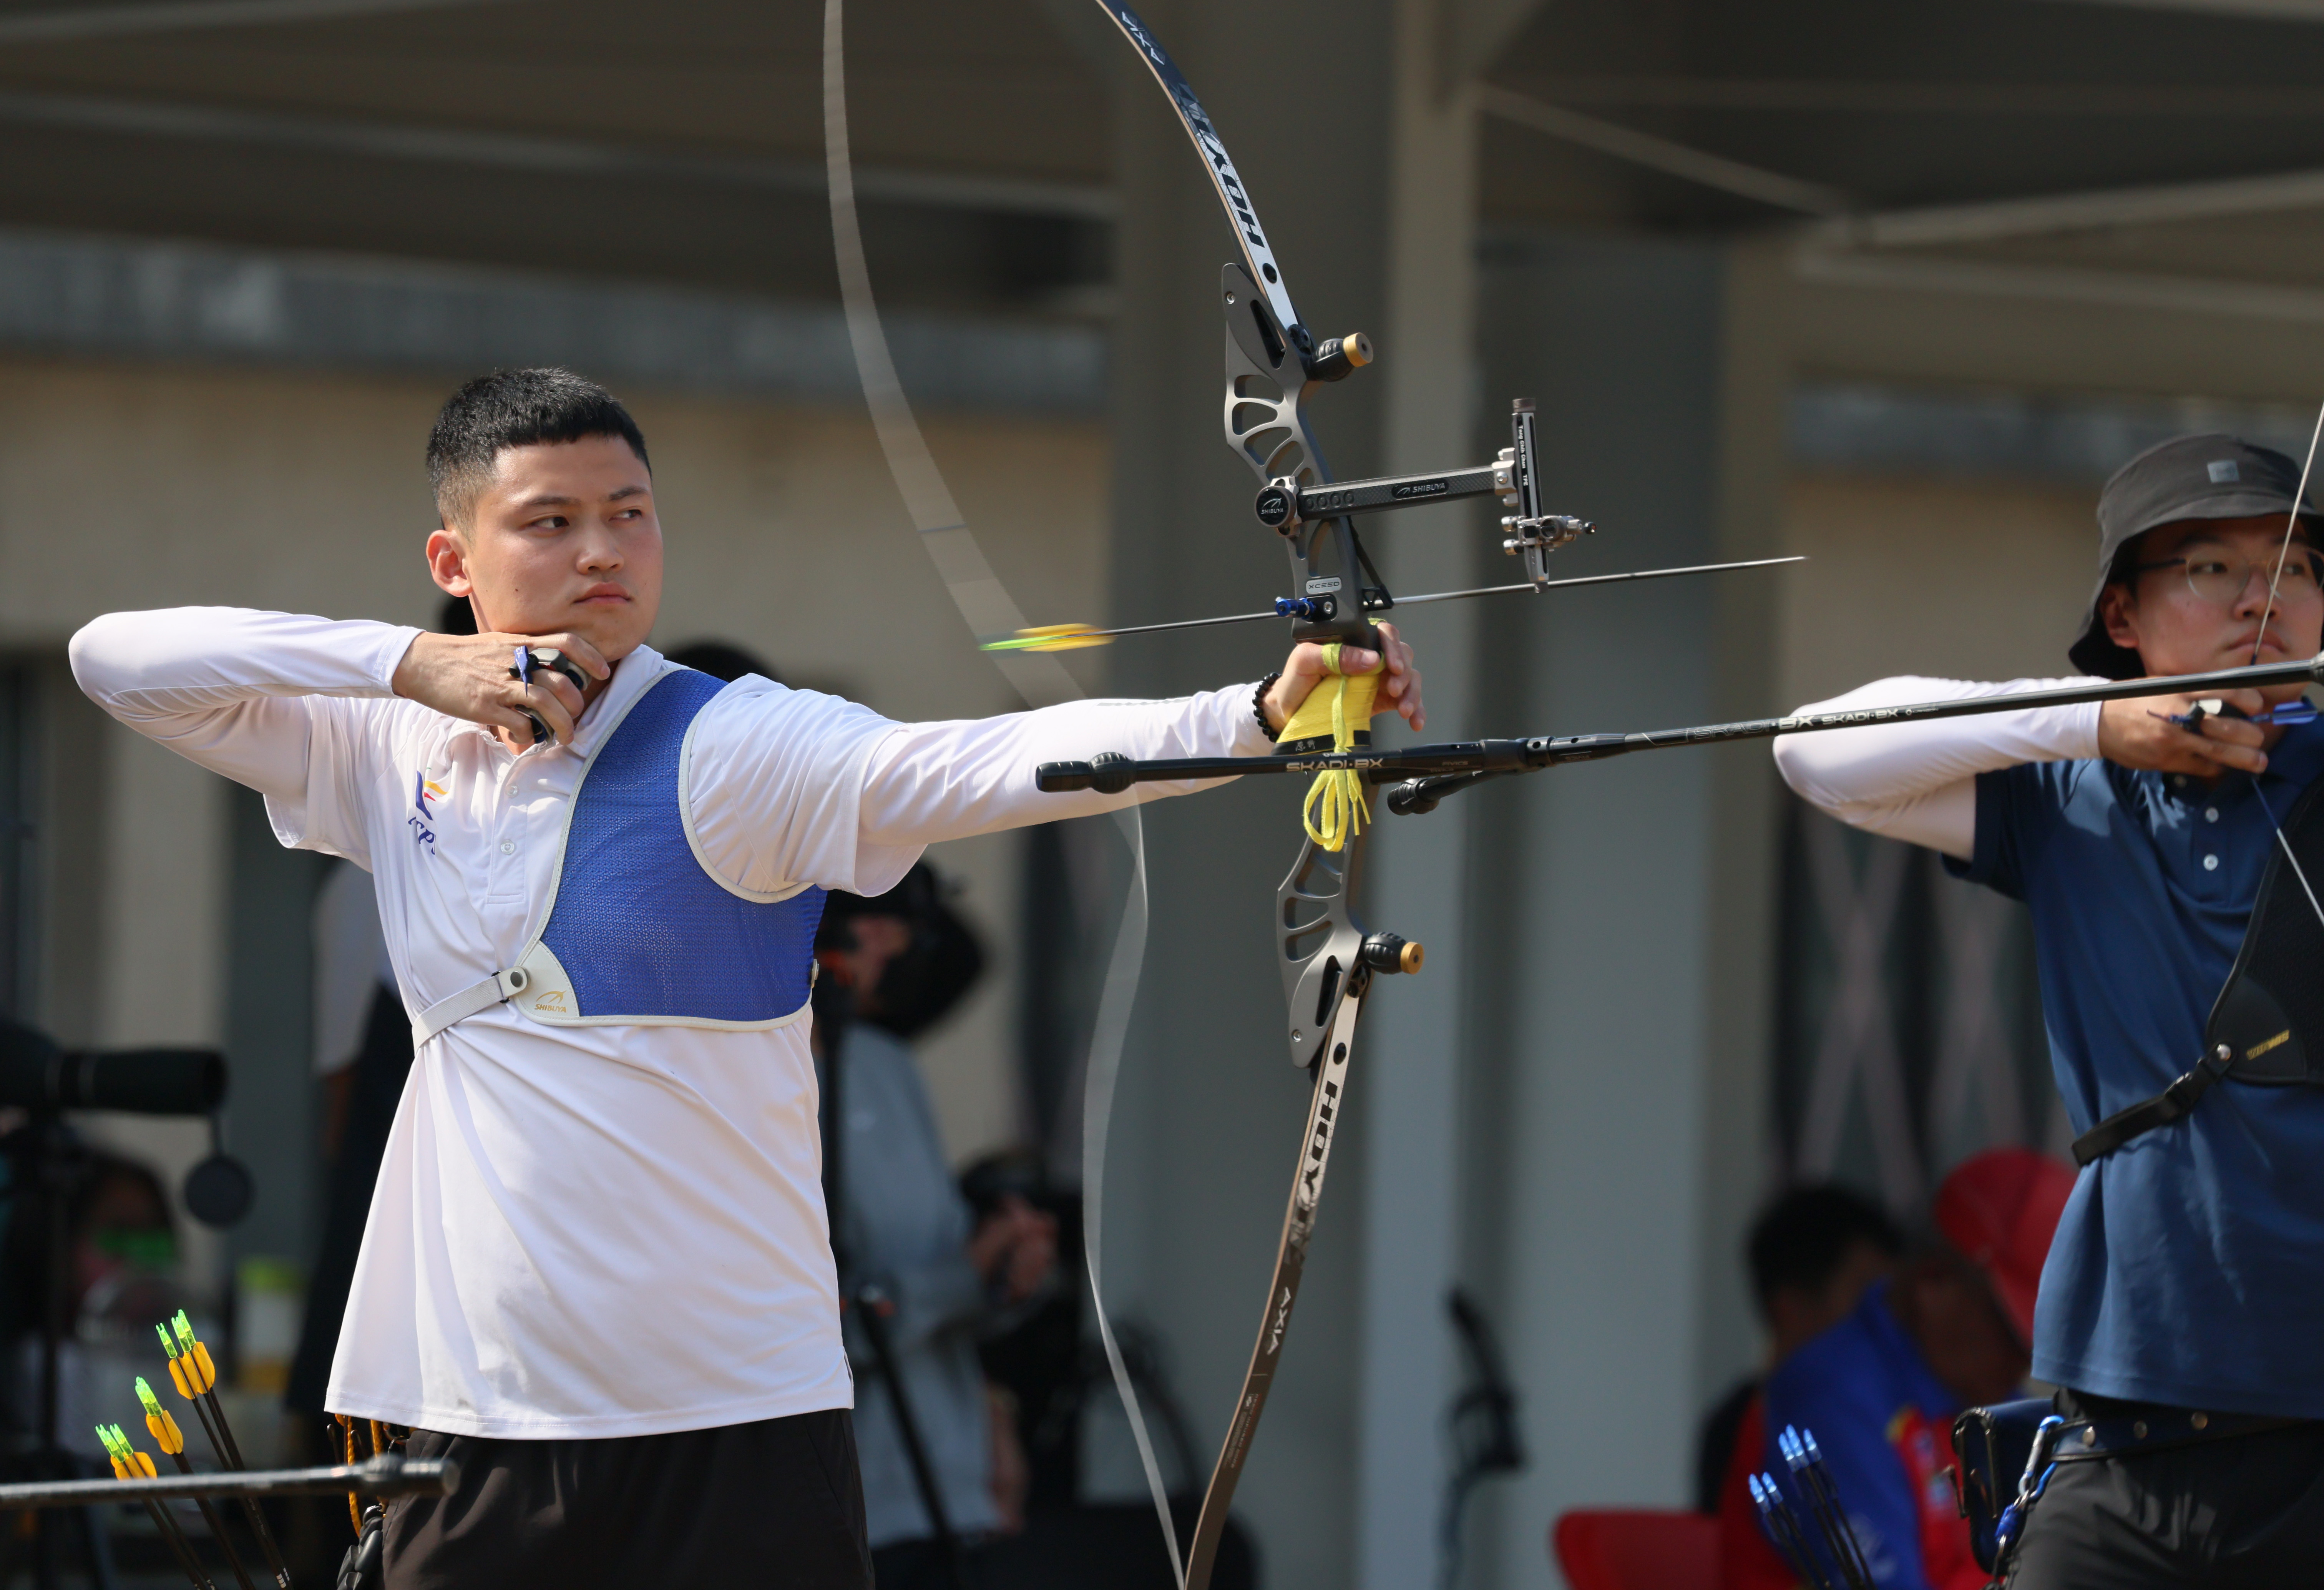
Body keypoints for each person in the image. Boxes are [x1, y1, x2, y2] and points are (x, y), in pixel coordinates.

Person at [66, 366, 1425, 1589]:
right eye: (549, 520)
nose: (602, 549)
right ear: (454, 558)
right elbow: (112, 659)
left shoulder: (736, 744)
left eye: (630, 513)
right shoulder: (386, 747)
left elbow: (971, 763)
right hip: (483, 1411)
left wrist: (1254, 715)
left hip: (737, 1421)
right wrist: (410, 663)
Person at [1771, 434, 2324, 1586]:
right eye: (2210, 566)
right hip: (2121, 1430)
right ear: (2123, 614)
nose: (2261, 596)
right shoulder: (2072, 788)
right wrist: (2096, 722)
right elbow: (1815, 754)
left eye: (2297, 566)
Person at [814, 867, 1056, 1590]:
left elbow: (944, 1277)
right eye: (869, 919)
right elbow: (809, 1328)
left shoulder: (883, 1063)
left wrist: (1007, 1271)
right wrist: (962, 1273)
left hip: (951, 1500)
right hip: (844, 1509)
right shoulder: (753, 1084)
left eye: (896, 926)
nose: (890, 945)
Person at [1719, 1149, 2072, 1590]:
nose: (2028, 1362)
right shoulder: (1830, 1401)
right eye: (2014, 1334)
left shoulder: (1993, 1402)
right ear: (1934, 1281)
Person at [1695, 1184, 1902, 1514]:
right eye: (1867, 1298)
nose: (1887, 1319)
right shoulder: (1748, 1431)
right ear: (1790, 1308)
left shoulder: (1899, 1417)